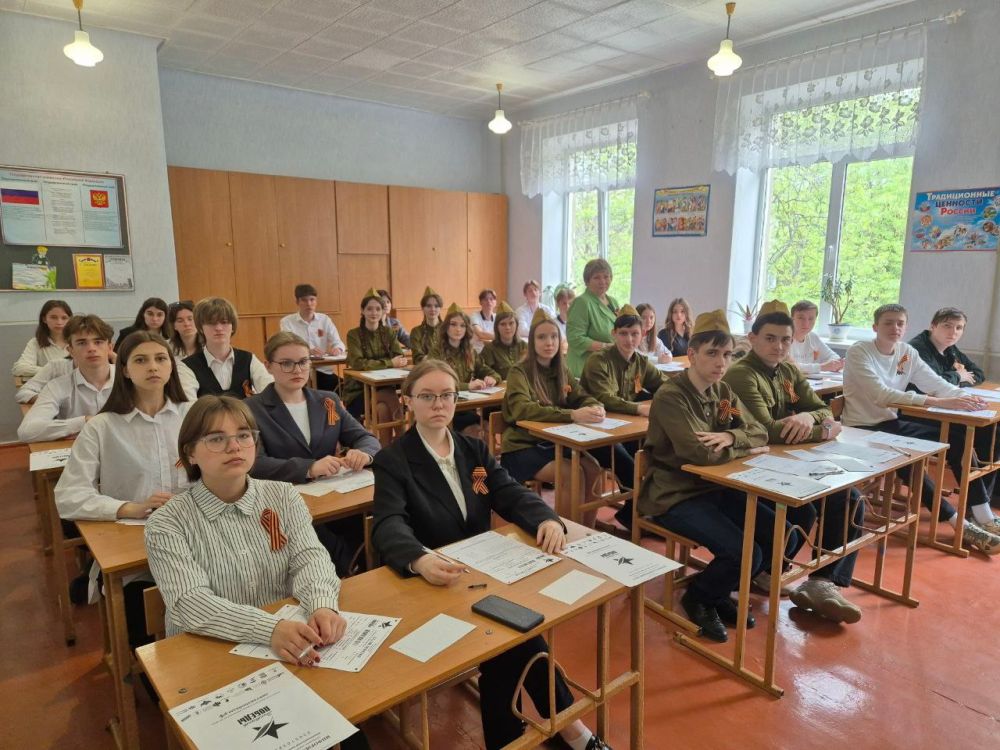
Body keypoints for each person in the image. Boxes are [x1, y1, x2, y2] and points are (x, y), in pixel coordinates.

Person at [371, 360, 610, 750]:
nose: (438, 404)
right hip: (432, 582)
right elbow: (388, 525)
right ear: (407, 401)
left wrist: (546, 518)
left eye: (446, 395)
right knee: (520, 634)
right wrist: (419, 558)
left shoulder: (472, 449)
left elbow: (507, 492)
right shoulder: (394, 460)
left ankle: (518, 737)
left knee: (512, 637)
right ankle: (570, 731)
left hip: (481, 572)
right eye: (427, 396)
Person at [144, 396, 370, 750]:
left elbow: (310, 559)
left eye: (244, 435)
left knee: (347, 734)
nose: (234, 446)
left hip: (293, 646)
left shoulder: (283, 495)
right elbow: (189, 604)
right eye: (216, 438)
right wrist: (270, 629)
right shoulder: (167, 521)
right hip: (213, 657)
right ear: (189, 453)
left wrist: (322, 605)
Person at [637, 310, 777, 643]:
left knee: (776, 530)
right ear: (694, 354)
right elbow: (699, 453)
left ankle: (718, 590)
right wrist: (744, 448)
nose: (720, 362)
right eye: (712, 353)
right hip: (673, 494)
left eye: (727, 354)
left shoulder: (722, 390)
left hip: (711, 486)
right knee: (746, 552)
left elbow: (759, 430)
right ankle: (699, 595)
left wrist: (731, 438)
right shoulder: (671, 396)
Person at [724, 301, 863, 623]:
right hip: (750, 460)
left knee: (849, 497)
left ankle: (823, 582)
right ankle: (770, 568)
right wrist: (825, 431)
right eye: (770, 338)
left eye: (786, 340)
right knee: (814, 504)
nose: (779, 346)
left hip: (789, 455)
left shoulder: (787, 369)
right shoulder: (742, 374)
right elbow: (768, 431)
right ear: (753, 338)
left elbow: (823, 408)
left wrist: (806, 416)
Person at [54, 331, 190, 648]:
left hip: (194, 534)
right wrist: (130, 507)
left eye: (161, 359)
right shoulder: (103, 427)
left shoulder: (192, 415)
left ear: (172, 366)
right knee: (144, 614)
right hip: (137, 545)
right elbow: (68, 496)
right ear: (125, 369)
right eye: (140, 360)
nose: (153, 367)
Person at [842, 303, 1000, 554]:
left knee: (957, 439)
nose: (895, 328)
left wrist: (968, 399)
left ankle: (982, 513)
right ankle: (956, 522)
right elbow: (881, 395)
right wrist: (940, 402)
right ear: (875, 327)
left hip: (889, 423)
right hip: (860, 428)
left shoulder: (905, 352)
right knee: (911, 460)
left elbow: (934, 382)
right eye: (888, 323)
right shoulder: (860, 351)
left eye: (900, 323)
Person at [248, 332, 380, 574]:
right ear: (268, 366)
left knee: (373, 519)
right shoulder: (252, 408)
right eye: (286, 363)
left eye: (303, 361)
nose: (297, 369)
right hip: (285, 502)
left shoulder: (327, 400)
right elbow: (255, 464)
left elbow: (366, 438)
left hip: (334, 495)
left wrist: (363, 453)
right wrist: (308, 467)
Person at [501, 309, 607, 525]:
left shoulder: (562, 369)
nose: (549, 342)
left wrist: (595, 406)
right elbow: (523, 409)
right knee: (570, 472)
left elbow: (581, 395)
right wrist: (573, 415)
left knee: (593, 469)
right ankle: (567, 535)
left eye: (554, 336)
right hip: (523, 446)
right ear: (532, 342)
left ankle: (587, 532)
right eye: (541, 337)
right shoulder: (519, 372)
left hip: (553, 442)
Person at [579, 305, 668, 529]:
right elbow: (605, 398)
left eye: (635, 334)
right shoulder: (599, 360)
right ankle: (637, 513)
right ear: (614, 334)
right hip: (594, 431)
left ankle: (636, 512)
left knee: (653, 455)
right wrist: (639, 409)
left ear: (643, 334)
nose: (629, 339)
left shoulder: (640, 361)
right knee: (630, 467)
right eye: (624, 334)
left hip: (626, 429)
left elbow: (665, 386)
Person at [18, 314, 115, 443]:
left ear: (109, 347)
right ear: (71, 350)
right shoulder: (56, 386)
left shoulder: (131, 380)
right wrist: (84, 421)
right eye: (82, 343)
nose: (91, 348)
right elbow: (27, 432)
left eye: (98, 342)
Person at [343, 288, 407, 442]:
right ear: (362, 311)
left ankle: (385, 450)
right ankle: (402, 438)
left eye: (378, 309)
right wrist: (389, 363)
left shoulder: (389, 333)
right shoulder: (354, 334)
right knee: (389, 397)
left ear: (383, 311)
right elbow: (358, 363)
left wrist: (387, 363)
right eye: (369, 309)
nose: (374, 313)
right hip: (358, 391)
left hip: (383, 387)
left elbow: (400, 357)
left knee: (383, 410)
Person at [178, 297, 273, 400]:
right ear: (201, 328)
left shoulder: (249, 359)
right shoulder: (186, 366)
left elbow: (271, 393)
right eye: (211, 323)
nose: (219, 328)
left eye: (224, 322)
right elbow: (189, 407)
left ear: (232, 327)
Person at [429, 303, 501, 438]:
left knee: (486, 430)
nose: (458, 329)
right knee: (476, 432)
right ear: (446, 328)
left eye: (462, 325)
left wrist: (492, 377)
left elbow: (484, 369)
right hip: (445, 408)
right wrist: (468, 386)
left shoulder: (470, 351)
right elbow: (440, 384)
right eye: (453, 324)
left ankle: (482, 460)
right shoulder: (436, 352)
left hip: (467, 407)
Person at [279, 283, 346, 392]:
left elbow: (338, 342)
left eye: (312, 300)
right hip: (299, 371)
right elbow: (287, 346)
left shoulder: (325, 320)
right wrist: (307, 351)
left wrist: (337, 349)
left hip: (323, 371)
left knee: (345, 390)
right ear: (297, 302)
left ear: (316, 301)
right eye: (304, 300)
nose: (309, 304)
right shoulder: (287, 322)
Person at [566, 260, 620, 377]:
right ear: (587, 281)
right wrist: (605, 347)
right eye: (596, 277)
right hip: (584, 369)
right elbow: (575, 338)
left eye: (606, 276)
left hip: (606, 367)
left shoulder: (613, 302)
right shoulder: (582, 302)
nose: (603, 281)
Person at [908, 307, 985, 387]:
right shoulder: (917, 349)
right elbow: (931, 383)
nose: (953, 332)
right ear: (932, 326)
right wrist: (958, 376)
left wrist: (956, 381)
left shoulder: (950, 347)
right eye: (947, 326)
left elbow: (979, 374)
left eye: (959, 328)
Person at [12, 299, 72, 377]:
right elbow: (19, 368)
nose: (59, 322)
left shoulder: (78, 341)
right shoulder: (36, 343)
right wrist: (52, 370)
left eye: (64, 318)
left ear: (70, 320)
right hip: (48, 387)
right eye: (53, 317)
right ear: (44, 319)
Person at [789, 300, 844, 374]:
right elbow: (790, 366)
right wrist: (822, 367)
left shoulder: (812, 337)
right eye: (801, 318)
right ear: (792, 318)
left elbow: (833, 356)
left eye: (811, 319)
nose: (806, 323)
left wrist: (836, 364)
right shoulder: (784, 339)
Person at [479, 301, 526, 380]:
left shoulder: (524, 346)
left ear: (516, 325)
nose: (507, 327)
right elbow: (481, 372)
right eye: (503, 324)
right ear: (497, 327)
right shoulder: (489, 349)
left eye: (511, 323)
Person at [409, 286, 444, 363]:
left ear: (440, 308)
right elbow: (417, 358)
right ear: (422, 308)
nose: (433, 309)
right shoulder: (416, 331)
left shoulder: (448, 329)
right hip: (426, 370)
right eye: (428, 306)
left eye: (436, 306)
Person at [470, 288, 497, 353]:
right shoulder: (474, 316)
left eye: (491, 299)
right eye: (485, 299)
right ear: (480, 302)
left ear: (495, 302)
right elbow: (481, 334)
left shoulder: (497, 317)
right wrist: (501, 337)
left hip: (493, 350)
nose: (489, 302)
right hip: (477, 350)